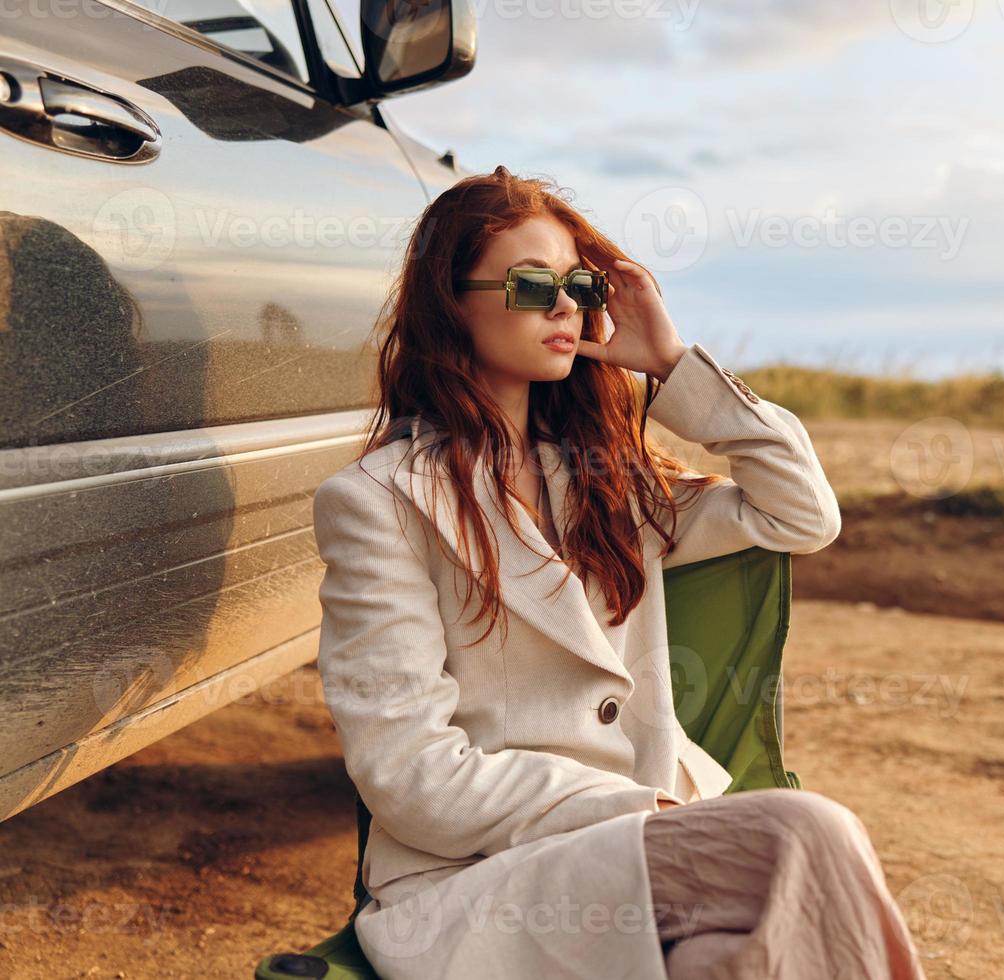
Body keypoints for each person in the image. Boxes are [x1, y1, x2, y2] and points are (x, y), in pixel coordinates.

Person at [311, 165, 928, 979]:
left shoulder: (610, 482)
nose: (565, 305)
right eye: (534, 285)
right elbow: (411, 775)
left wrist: (671, 363)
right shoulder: (378, 503)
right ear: (450, 303)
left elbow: (802, 514)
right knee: (805, 834)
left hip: (641, 858)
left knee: (730, 958)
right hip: (484, 874)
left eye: (579, 283)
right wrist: (638, 810)